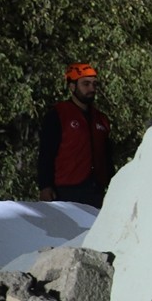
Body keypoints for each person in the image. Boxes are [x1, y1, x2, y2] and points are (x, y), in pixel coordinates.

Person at [37, 62, 114, 208]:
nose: (91, 88)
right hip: (65, 190)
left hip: (96, 189)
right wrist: (45, 186)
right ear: (72, 86)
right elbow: (46, 153)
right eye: (86, 84)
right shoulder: (58, 114)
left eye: (94, 84)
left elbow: (107, 156)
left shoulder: (101, 118)